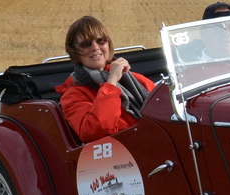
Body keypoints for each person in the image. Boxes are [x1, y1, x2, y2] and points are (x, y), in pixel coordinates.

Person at [56, 15, 156, 143]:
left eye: (101, 41)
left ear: (108, 44)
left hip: (152, 140)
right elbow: (95, 131)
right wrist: (112, 82)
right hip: (123, 150)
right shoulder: (72, 95)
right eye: (86, 44)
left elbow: (165, 107)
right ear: (74, 51)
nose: (95, 47)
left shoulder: (134, 79)